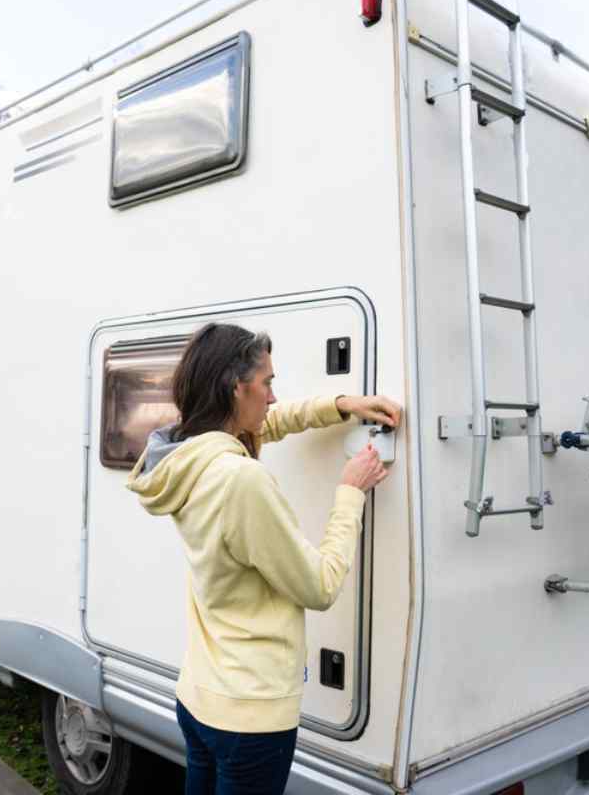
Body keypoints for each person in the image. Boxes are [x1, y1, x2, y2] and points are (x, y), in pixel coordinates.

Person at [127, 322, 401, 795]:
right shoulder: (239, 480)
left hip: (199, 698)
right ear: (237, 388)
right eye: (268, 382)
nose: (274, 397)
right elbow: (319, 585)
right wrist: (350, 492)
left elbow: (264, 425)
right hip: (249, 716)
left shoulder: (185, 454)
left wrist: (339, 406)